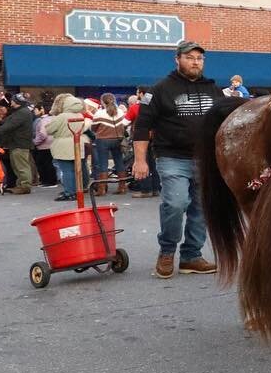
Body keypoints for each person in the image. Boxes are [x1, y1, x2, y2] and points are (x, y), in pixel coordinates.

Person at [132, 40, 226, 279]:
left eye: (199, 58)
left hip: (206, 160)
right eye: (190, 57)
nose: (195, 62)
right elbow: (142, 127)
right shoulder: (160, 89)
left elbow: (227, 122)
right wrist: (139, 160)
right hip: (172, 157)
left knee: (201, 209)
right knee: (175, 204)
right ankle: (167, 251)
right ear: (177, 59)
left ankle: (191, 257)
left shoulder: (214, 90)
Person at [0, 93, 35, 195]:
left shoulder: (22, 113)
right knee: (17, 166)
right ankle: (20, 185)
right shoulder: (18, 112)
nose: (11, 102)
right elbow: (5, 123)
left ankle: (25, 186)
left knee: (21, 166)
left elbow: (9, 126)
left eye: (13, 100)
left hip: (20, 143)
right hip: (15, 143)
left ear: (17, 102)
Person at [45, 94, 88, 201]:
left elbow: (49, 130)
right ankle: (78, 190)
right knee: (77, 169)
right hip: (77, 143)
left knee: (66, 170)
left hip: (63, 145)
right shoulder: (80, 115)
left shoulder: (61, 117)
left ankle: (69, 192)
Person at [89, 93, 130, 195]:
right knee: (119, 162)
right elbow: (125, 125)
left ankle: (102, 189)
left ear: (102, 102)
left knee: (103, 164)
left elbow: (93, 128)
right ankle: (122, 187)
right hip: (118, 140)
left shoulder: (99, 113)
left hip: (102, 140)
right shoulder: (120, 112)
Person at [31, 103, 56, 189]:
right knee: (48, 163)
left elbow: (42, 134)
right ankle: (48, 180)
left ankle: (48, 181)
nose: (34, 112)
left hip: (44, 145)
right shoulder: (54, 119)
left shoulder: (42, 120)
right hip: (52, 144)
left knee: (43, 163)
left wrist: (35, 142)